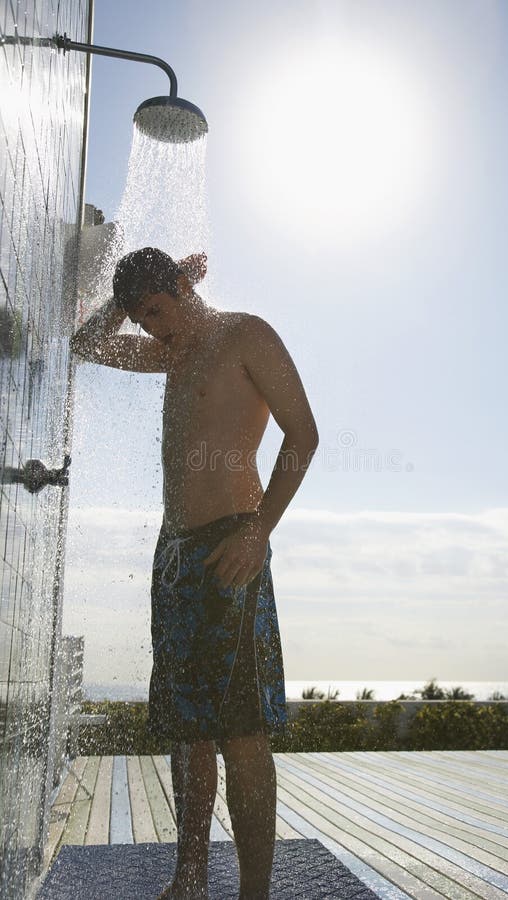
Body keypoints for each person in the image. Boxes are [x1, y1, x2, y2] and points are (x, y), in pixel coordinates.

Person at [70, 247, 319, 900]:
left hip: (230, 548)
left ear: (183, 287)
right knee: (188, 728)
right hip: (174, 555)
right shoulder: (168, 354)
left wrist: (259, 530)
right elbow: (85, 344)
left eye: (156, 312)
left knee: (242, 733)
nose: (152, 330)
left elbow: (304, 435)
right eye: (141, 318)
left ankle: (253, 892)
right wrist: (122, 305)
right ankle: (189, 877)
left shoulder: (246, 335)